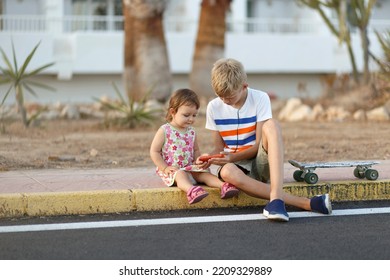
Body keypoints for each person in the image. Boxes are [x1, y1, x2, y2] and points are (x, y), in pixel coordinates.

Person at [203, 58, 332, 222]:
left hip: (259, 162)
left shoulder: (260, 98)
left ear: (244, 87)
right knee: (227, 171)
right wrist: (209, 158)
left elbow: (257, 145)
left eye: (229, 97)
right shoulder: (213, 107)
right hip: (236, 169)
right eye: (220, 96)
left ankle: (277, 199)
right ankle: (307, 203)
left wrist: (233, 156)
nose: (224, 101)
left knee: (272, 125)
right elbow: (218, 148)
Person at [150, 88, 239, 204]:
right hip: (173, 170)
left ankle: (223, 186)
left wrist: (198, 161)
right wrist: (165, 168)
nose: (191, 119)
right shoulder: (165, 130)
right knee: (181, 174)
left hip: (189, 167)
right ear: (173, 112)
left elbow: (195, 149)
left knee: (203, 173)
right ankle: (191, 190)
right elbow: (154, 152)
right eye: (186, 115)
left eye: (194, 115)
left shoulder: (191, 131)